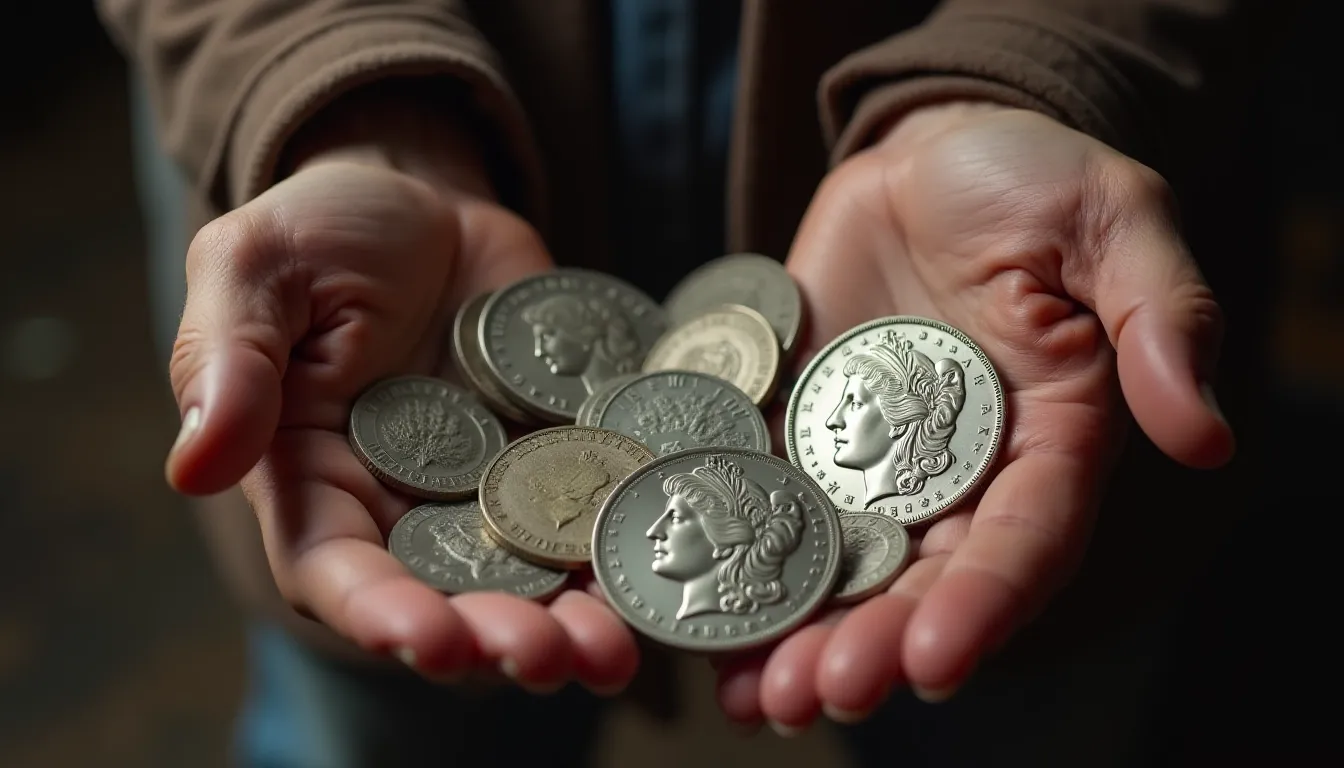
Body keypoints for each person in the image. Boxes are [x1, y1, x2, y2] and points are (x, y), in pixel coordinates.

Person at [97, 0, 1300, 765]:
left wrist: (1042, 62)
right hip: (377, 328)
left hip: (1022, 364)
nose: (669, 500)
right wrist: (334, 85)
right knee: (367, 721)